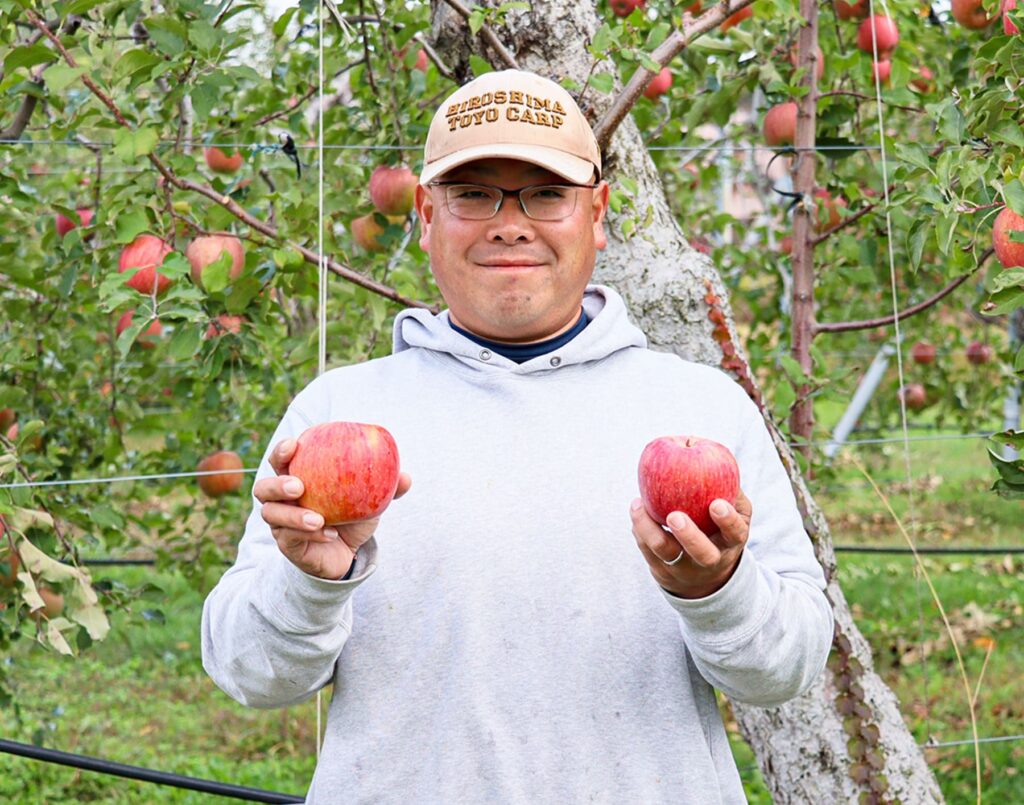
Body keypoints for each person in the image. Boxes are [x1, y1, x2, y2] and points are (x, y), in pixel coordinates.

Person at [201, 69, 834, 804]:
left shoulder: (697, 409)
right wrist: (311, 580)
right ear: (428, 217)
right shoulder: (339, 408)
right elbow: (250, 674)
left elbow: (787, 669)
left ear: (596, 213)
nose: (509, 222)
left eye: (545, 193)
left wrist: (717, 589)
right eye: (474, 194)